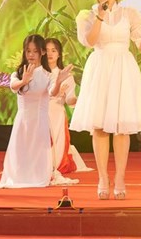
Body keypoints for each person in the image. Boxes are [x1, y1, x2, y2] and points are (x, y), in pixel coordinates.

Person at [70, 0, 141, 200]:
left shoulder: (129, 13)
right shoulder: (88, 15)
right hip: (100, 68)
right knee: (100, 127)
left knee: (122, 127)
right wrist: (100, 17)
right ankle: (102, 178)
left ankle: (121, 178)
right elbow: (90, 41)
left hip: (123, 68)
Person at [0, 34, 72, 188]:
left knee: (38, 151)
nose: (31, 55)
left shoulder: (47, 75)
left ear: (42, 52)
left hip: (40, 120)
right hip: (23, 119)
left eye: (35, 51)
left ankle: (37, 177)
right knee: (20, 149)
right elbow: (13, 86)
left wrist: (59, 81)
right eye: (28, 51)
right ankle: (19, 176)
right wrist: (24, 80)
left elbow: (53, 92)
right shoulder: (18, 73)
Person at [46, 37, 92, 179]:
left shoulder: (65, 75)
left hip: (57, 114)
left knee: (58, 145)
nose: (50, 53)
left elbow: (70, 99)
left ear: (59, 54)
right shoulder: (38, 72)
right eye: (46, 50)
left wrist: (81, 98)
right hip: (39, 113)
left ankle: (56, 165)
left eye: (54, 50)